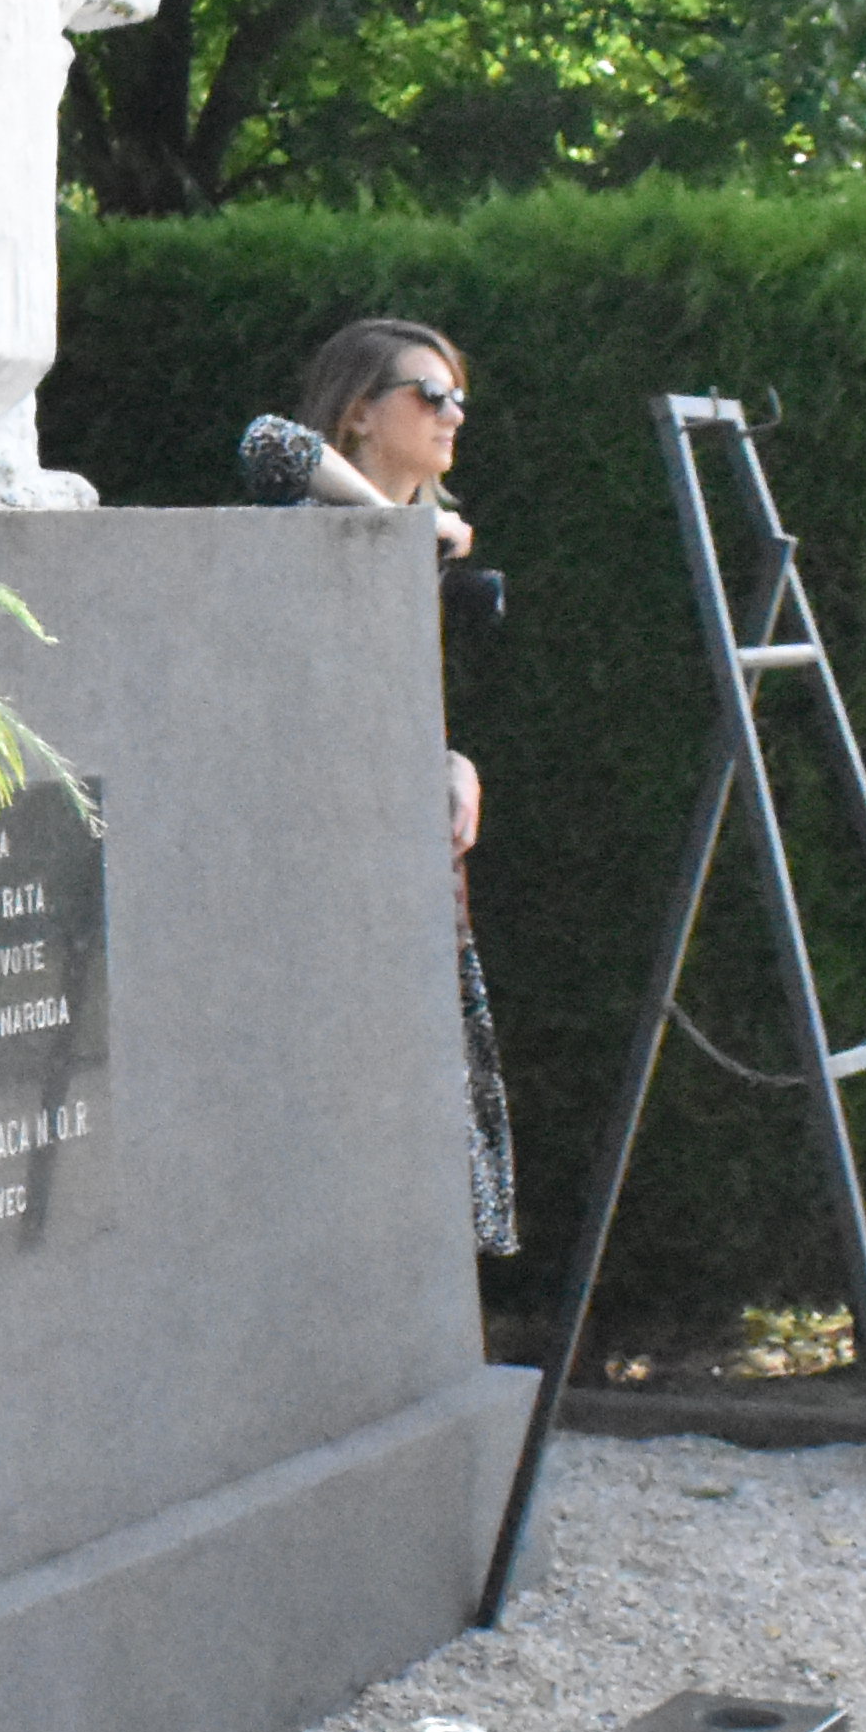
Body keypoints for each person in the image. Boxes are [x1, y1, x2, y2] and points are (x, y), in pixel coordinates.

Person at [292, 315, 519, 1254]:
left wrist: (452, 764)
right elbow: (269, 445)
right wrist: (402, 530)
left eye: (459, 396)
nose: (452, 414)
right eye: (430, 395)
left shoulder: (418, 554)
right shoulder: (311, 533)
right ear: (357, 415)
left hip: (406, 866)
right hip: (321, 872)